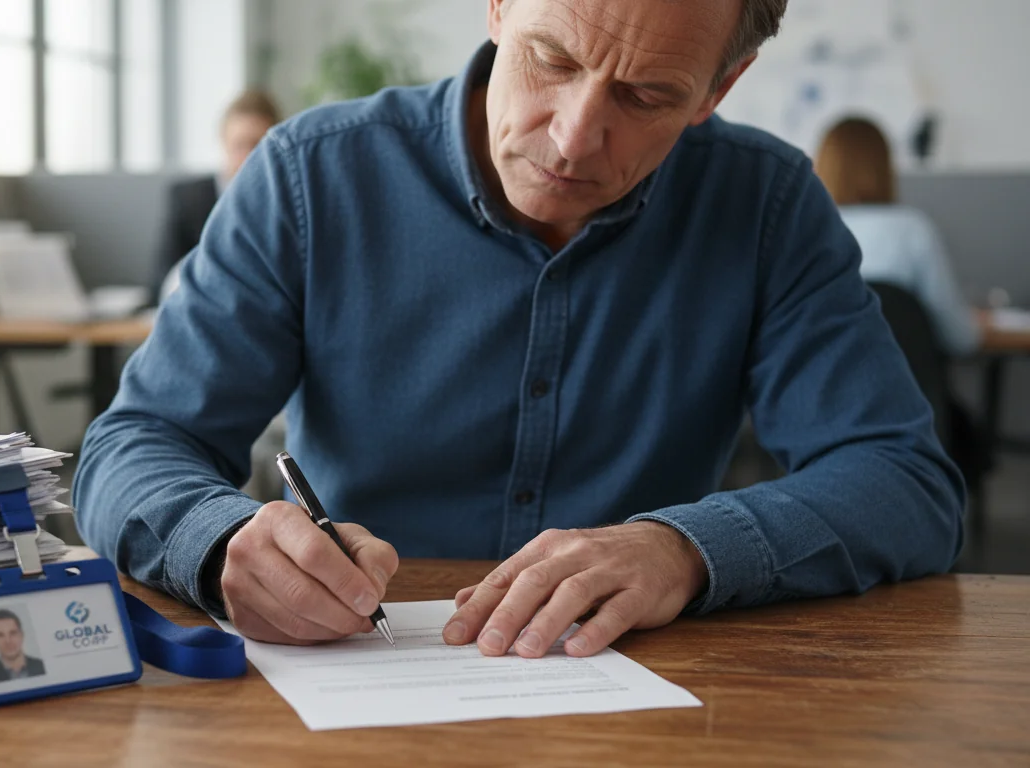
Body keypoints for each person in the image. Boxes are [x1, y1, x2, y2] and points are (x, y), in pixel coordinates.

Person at [75, 0, 963, 660]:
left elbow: (904, 482)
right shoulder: (311, 180)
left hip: (643, 690)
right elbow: (135, 443)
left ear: (717, 89)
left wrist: (685, 549)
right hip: (356, 673)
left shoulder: (766, 206)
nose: (575, 138)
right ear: (498, 6)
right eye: (551, 59)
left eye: (647, 95)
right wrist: (225, 540)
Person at [815, 116, 981, 356]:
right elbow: (961, 338)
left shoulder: (807, 229)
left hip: (823, 389)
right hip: (906, 388)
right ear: (885, 167)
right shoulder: (912, 229)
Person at [157, 89, 282, 301]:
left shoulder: (286, 204)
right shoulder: (189, 199)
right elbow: (161, 279)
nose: (248, 156)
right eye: (240, 145)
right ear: (223, 141)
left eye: (257, 145)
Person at [0, 609, 46, 683]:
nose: (8, 641)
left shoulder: (42, 666)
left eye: (13, 633)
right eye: (0, 635)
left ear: (22, 635)